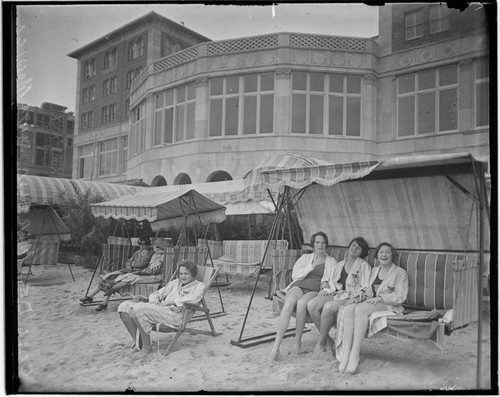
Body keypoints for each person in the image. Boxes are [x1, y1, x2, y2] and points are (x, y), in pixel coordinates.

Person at [336, 242, 408, 374]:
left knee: (360, 309)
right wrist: (362, 294)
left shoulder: (399, 272)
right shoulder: (374, 271)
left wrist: (381, 298)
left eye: (387, 252)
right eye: (381, 252)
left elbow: (400, 296)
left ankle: (355, 354)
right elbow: (368, 289)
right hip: (371, 303)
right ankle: (346, 353)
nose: (384, 254)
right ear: (377, 255)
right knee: (349, 308)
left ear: (392, 255)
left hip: (388, 305)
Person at [268, 232, 338, 362]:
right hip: (298, 285)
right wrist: (312, 266)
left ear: (326, 244)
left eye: (323, 242)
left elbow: (333, 280)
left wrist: (327, 288)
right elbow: (296, 275)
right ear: (313, 244)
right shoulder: (306, 258)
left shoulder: (331, 261)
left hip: (315, 290)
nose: (320, 245)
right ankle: (276, 347)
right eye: (317, 242)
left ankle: (297, 343)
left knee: (301, 304)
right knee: (288, 304)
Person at [118, 260, 205, 359]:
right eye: (181, 273)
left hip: (176, 316)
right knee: (124, 307)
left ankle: (146, 348)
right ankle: (139, 344)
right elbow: (157, 293)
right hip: (163, 310)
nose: (182, 276)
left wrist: (173, 302)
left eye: (186, 274)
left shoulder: (199, 286)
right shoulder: (176, 283)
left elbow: (195, 298)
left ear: (193, 274)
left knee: (139, 309)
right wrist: (154, 301)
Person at [307, 237, 371, 356]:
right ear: (349, 247)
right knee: (312, 305)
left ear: (363, 252)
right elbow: (331, 281)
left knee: (328, 307)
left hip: (350, 297)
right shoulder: (340, 263)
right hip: (337, 294)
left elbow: (367, 287)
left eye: (359, 247)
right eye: (353, 245)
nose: (355, 248)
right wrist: (325, 286)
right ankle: (328, 340)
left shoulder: (364, 266)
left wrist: (359, 294)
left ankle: (320, 343)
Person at [79, 236, 159, 311]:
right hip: (129, 270)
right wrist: (131, 264)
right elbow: (128, 261)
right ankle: (91, 297)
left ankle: (103, 303)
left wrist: (132, 264)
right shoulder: (138, 252)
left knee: (112, 281)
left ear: (148, 245)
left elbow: (141, 264)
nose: (142, 247)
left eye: (144, 245)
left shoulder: (150, 253)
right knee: (109, 278)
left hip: (138, 273)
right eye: (141, 245)